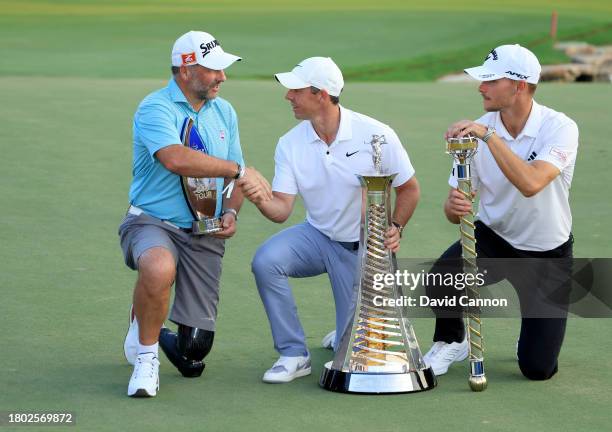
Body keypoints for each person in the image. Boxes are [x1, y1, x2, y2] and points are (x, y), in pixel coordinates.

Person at [243, 57, 421, 383]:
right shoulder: (290, 143)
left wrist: (396, 226)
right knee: (266, 260)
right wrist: (258, 196)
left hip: (362, 252)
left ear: (321, 94)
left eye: (295, 91)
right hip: (316, 235)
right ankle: (293, 353)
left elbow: (409, 189)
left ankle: (343, 330)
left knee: (353, 353)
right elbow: (281, 209)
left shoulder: (376, 135)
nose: (288, 97)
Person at [119, 30, 271, 397]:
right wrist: (237, 170)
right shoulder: (155, 107)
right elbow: (175, 158)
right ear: (185, 71)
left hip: (206, 228)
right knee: (158, 267)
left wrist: (232, 213)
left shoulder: (225, 111)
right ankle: (145, 358)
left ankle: (143, 317)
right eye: (213, 69)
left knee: (193, 353)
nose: (223, 77)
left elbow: (234, 181)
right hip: (152, 220)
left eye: (223, 69)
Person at [423, 44, 579, 380]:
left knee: (537, 369)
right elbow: (455, 207)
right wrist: (454, 206)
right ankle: (452, 340)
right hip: (496, 238)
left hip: (548, 252)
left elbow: (532, 182)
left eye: (491, 81)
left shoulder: (559, 127)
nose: (481, 87)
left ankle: (533, 335)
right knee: (439, 278)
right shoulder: (476, 131)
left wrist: (490, 137)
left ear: (520, 86)